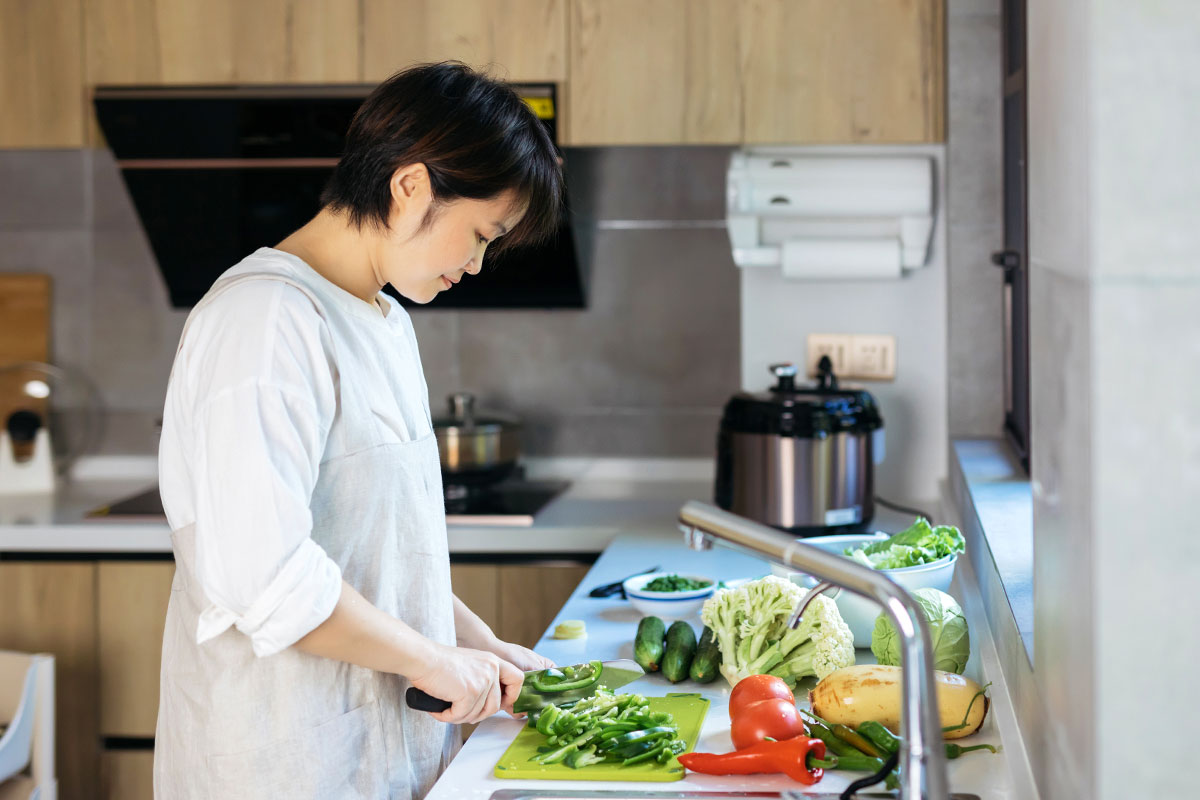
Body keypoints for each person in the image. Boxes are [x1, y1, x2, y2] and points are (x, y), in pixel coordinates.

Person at [154, 63, 564, 799]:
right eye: (480, 235)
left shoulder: (385, 319)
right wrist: (434, 662)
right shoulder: (267, 319)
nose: (475, 265)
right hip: (280, 761)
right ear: (411, 188)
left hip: (379, 754)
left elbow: (380, 552)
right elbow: (268, 577)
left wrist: (477, 645)